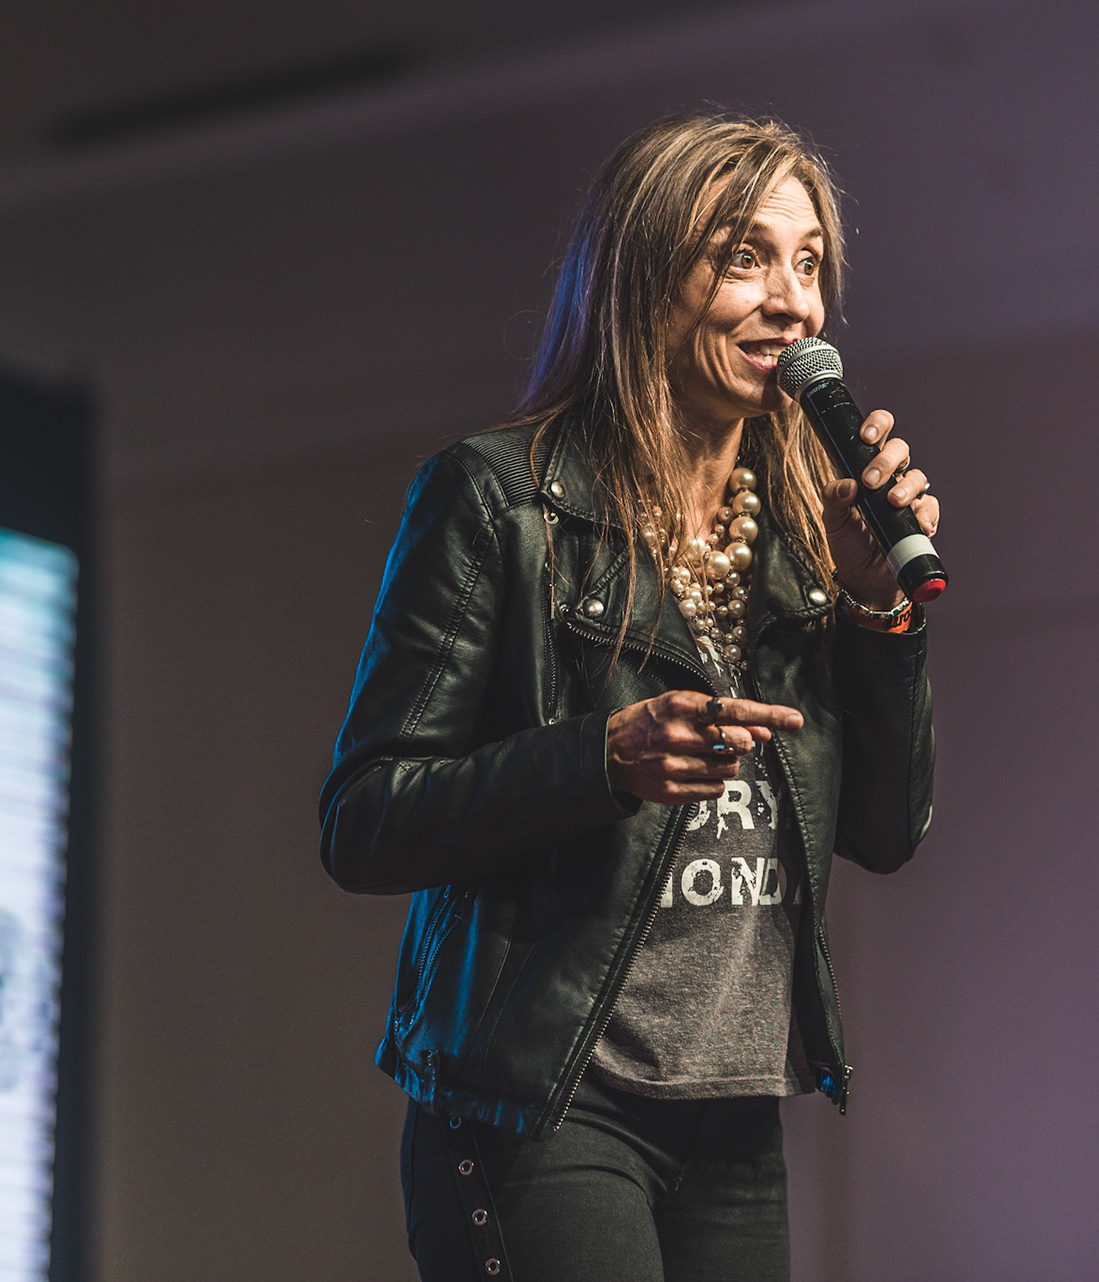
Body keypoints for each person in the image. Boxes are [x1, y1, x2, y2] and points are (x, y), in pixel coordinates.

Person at [318, 112, 937, 1282]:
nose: (793, 302)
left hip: (735, 1116)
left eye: (810, 264)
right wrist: (596, 760)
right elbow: (365, 815)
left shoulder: (804, 536)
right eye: (746, 256)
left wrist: (876, 610)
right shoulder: (502, 501)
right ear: (646, 276)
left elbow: (886, 830)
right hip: (546, 1109)